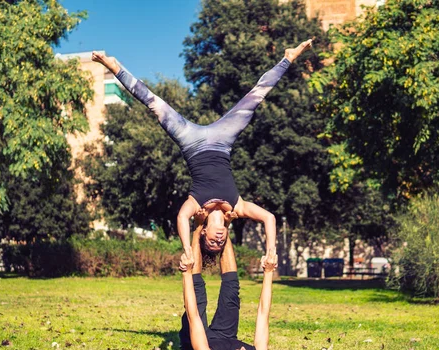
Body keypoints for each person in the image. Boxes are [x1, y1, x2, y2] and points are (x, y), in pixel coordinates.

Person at [91, 39, 312, 263]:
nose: (218, 239)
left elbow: (182, 217)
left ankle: (114, 67)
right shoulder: (238, 205)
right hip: (222, 141)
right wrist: (270, 251)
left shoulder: (197, 205)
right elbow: (269, 218)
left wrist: (187, 249)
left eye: (212, 242)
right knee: (255, 97)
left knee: (155, 105)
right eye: (220, 243)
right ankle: (288, 58)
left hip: (191, 142)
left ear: (203, 233)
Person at [177, 215, 278, 350]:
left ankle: (198, 226)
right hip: (225, 335)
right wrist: (268, 272)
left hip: (200, 342)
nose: (243, 349)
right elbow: (263, 314)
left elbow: (193, 315)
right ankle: (224, 225)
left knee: (198, 293)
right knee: (231, 291)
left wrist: (187, 272)